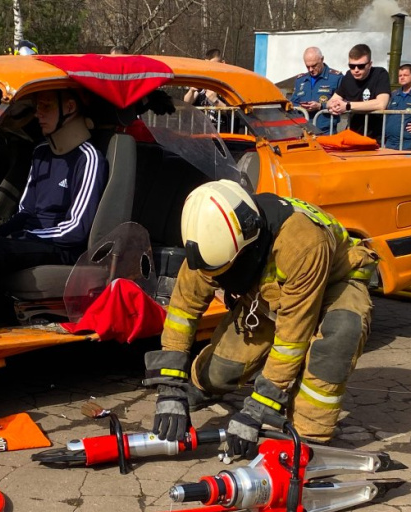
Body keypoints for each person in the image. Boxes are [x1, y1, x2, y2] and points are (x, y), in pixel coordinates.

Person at [144, 180, 376, 453]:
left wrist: (260, 406)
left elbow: (293, 337)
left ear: (248, 244)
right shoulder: (209, 236)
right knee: (220, 373)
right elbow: (183, 311)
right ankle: (199, 387)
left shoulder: (301, 242)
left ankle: (309, 440)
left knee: (341, 331)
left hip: (333, 285)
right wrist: (171, 387)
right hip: (269, 296)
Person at [0, 89, 108, 307]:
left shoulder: (88, 158)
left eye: (46, 106)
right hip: (35, 240)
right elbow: (26, 211)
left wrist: (20, 237)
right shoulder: (41, 152)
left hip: (64, 249)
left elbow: (75, 229)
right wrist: (0, 233)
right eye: (37, 106)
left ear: (70, 108)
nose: (38, 114)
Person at [327, 44, 391, 142]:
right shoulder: (348, 76)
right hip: (353, 135)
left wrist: (348, 106)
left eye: (361, 66)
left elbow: (381, 104)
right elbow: (333, 99)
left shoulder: (380, 74)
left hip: (376, 137)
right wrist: (332, 106)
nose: (356, 70)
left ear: (370, 64)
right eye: (352, 66)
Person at [289, 46, 342, 134]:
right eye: (307, 66)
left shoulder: (336, 78)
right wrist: (301, 107)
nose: (311, 70)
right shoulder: (301, 80)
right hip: (304, 132)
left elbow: (342, 103)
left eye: (314, 66)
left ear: (322, 59)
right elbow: (293, 103)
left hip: (326, 132)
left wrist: (321, 106)